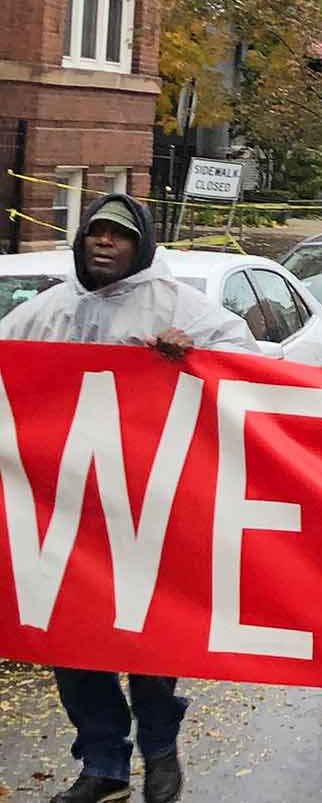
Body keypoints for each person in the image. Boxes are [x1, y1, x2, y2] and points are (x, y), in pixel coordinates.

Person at [0, 193, 259, 803]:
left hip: (150, 510)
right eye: (95, 233)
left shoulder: (180, 308)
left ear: (140, 243)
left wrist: (192, 358)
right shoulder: (44, 313)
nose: (104, 243)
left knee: (148, 636)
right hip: (65, 514)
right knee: (72, 642)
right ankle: (103, 764)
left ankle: (160, 749)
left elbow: (249, 365)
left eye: (117, 235)